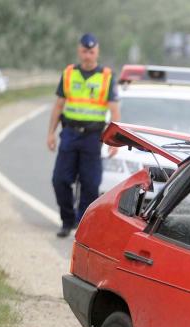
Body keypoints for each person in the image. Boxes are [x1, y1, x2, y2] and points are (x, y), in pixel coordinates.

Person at [46, 33, 120, 237]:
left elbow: (114, 111)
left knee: (91, 184)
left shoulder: (106, 76)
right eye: (84, 51)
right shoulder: (69, 73)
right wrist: (51, 133)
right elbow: (58, 105)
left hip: (92, 137)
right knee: (59, 180)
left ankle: (81, 223)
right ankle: (67, 220)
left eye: (92, 52)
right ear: (79, 51)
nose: (88, 55)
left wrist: (116, 141)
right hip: (69, 134)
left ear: (97, 52)